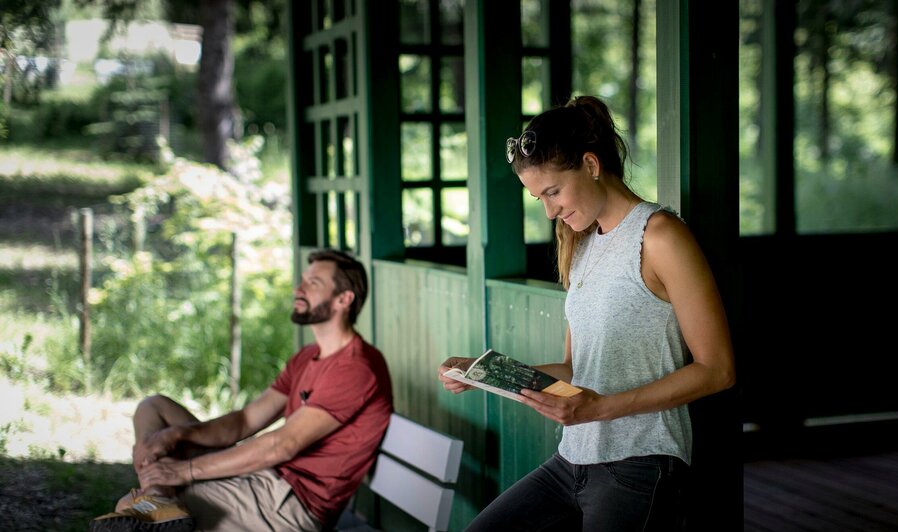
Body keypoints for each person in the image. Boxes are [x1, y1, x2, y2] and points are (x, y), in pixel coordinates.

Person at [438, 96, 735, 531]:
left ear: (591, 165)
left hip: (640, 464)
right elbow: (576, 370)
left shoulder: (660, 236)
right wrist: (483, 373)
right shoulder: (581, 246)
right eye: (539, 197)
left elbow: (718, 370)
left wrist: (599, 409)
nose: (549, 210)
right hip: (572, 459)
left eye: (553, 191)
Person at [92, 249, 393, 532]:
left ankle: (156, 500)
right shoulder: (307, 357)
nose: (298, 289)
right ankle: (158, 496)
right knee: (153, 407)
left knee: (132, 512)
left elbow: (281, 445)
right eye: (302, 281)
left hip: (290, 504)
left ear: (344, 299)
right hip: (263, 480)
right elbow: (244, 422)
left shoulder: (355, 368)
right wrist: (178, 435)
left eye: (313, 283)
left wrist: (184, 471)